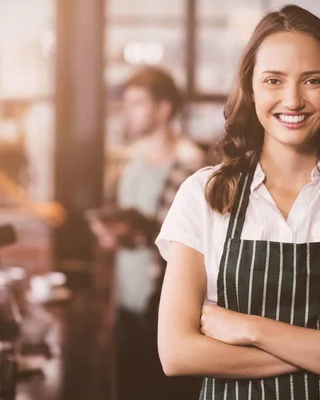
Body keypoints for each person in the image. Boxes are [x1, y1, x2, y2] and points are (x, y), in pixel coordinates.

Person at [155, 5, 320, 400]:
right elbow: (177, 354)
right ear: (251, 88)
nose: (292, 100)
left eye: (312, 80)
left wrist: (251, 330)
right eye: (274, 80)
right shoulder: (203, 194)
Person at [86, 67, 206, 400]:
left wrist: (137, 234)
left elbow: (188, 242)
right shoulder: (129, 161)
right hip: (126, 305)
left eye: (138, 102)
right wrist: (109, 232)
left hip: (166, 308)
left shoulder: (190, 165)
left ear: (164, 109)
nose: (128, 111)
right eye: (127, 103)